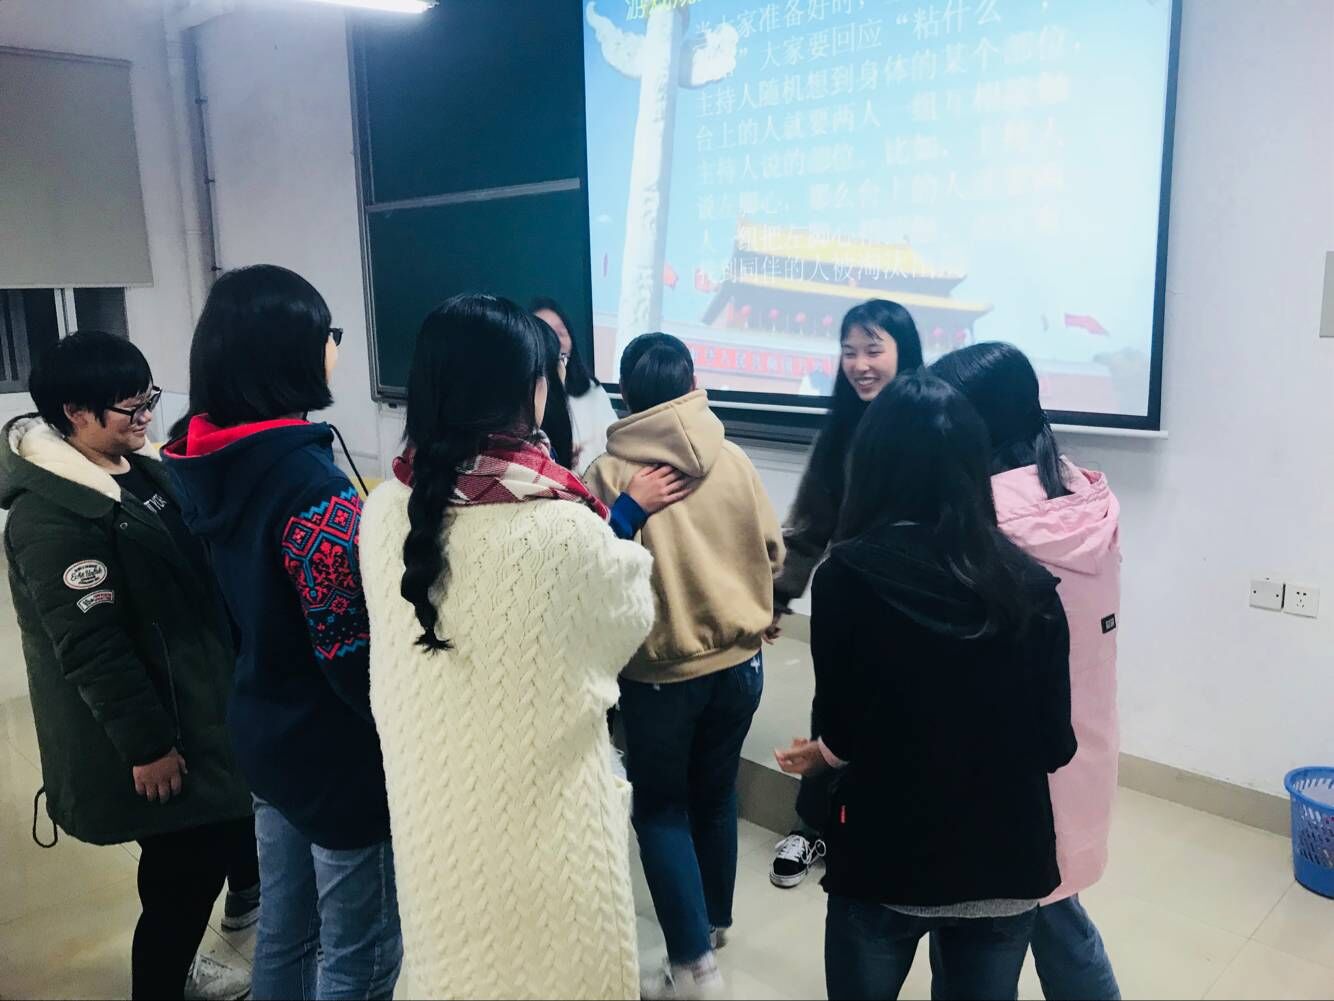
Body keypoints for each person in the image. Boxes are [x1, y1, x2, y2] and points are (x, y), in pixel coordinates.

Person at [359, 293, 656, 999]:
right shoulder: (565, 528)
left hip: (436, 823)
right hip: (547, 835)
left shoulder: (385, 506)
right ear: (529, 390)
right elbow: (626, 621)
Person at [776, 372, 1077, 1001]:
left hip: (885, 858)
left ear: (871, 464)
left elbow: (844, 729)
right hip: (1005, 861)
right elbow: (1055, 745)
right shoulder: (1031, 586)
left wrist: (824, 754)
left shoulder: (845, 578)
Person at [162, 265, 402, 1000]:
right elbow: (350, 654)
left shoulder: (206, 459)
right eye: (328, 333)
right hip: (336, 751)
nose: (336, 347)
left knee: (287, 934)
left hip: (266, 727)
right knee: (359, 957)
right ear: (288, 352)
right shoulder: (310, 487)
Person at [2, 332, 253, 1001]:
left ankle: (175, 970)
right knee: (182, 876)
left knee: (190, 861)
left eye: (149, 399)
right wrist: (149, 746)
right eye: (129, 407)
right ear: (75, 412)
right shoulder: (51, 514)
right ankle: (161, 986)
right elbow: (92, 646)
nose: (145, 416)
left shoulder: (138, 469)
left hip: (194, 702)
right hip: (150, 729)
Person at [584, 333, 785, 1000]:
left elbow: (592, 571)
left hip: (661, 675)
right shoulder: (732, 456)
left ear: (625, 395)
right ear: (694, 381)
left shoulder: (611, 475)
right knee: (716, 792)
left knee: (662, 808)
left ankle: (694, 966)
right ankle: (714, 922)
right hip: (742, 664)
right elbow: (772, 549)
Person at [933, 342, 1122, 1000]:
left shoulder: (978, 527)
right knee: (1057, 912)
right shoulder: (1082, 496)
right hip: (1078, 748)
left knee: (981, 942)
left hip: (1002, 780)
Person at [767, 299, 923, 889]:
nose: (860, 364)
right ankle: (811, 825)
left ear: (904, 352)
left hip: (921, 604)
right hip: (852, 604)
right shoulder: (841, 429)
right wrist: (777, 598)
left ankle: (889, 826)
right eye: (849, 351)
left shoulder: (935, 421)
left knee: (908, 715)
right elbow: (810, 524)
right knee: (833, 707)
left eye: (873, 349)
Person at [532, 296, 618, 474]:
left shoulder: (592, 389)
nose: (555, 341)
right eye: (546, 333)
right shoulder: (530, 396)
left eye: (561, 333)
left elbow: (615, 440)